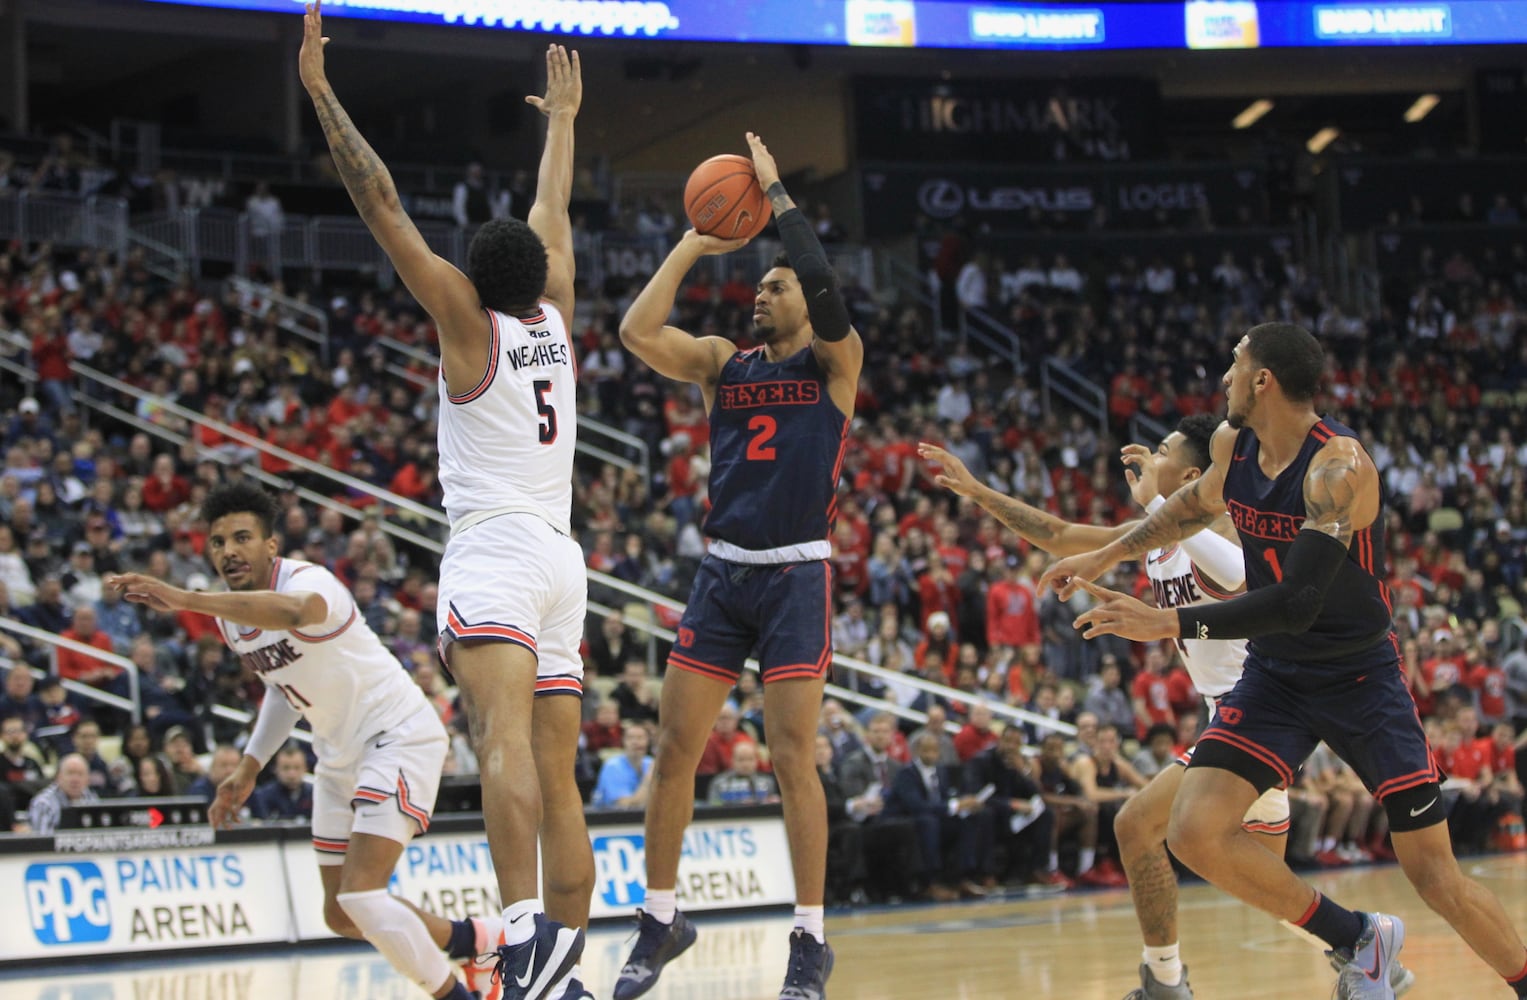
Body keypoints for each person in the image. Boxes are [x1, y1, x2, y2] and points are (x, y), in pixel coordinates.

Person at [1043, 322, 1527, 1000]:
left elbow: (1296, 601)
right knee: (1192, 831)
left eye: (1234, 366)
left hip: (1359, 675)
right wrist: (1105, 553)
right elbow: (1188, 506)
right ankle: (1356, 935)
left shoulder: (1338, 468)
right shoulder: (1230, 445)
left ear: (1262, 379)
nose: (1224, 380)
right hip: (1275, 677)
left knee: (1433, 875)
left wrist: (1165, 622)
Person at [295, 7, 591, 999]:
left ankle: (516, 935)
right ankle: (566, 963)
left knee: (501, 745)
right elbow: (554, 212)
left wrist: (323, 95)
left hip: (499, 552)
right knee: (557, 778)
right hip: (563, 558)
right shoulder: (557, 315)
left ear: (472, 279)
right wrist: (564, 123)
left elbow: (380, 204)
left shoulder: (469, 326)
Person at [923, 415, 1383, 998]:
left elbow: (1246, 580)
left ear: (1192, 475)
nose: (1146, 454)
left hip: (1262, 716)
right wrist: (976, 490)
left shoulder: (1235, 530)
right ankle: (1368, 952)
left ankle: (1166, 981)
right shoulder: (1159, 534)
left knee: (1136, 825)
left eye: (1162, 449)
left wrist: (1161, 503)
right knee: (1266, 891)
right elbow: (1063, 536)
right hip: (1231, 718)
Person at [614, 130, 863, 1000]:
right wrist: (695, 239)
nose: (761, 290)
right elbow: (635, 329)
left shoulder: (836, 363)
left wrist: (777, 197)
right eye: (757, 283)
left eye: (775, 281)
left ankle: (808, 939)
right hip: (723, 574)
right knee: (676, 747)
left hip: (797, 575)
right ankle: (658, 917)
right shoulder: (723, 365)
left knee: (792, 754)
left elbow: (826, 287)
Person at [107, 481, 493, 1000]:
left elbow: (293, 614)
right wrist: (249, 766)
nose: (228, 551)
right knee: (340, 912)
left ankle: (458, 994)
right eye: (218, 542)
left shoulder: (312, 582)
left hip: (396, 735)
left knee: (362, 894)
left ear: (271, 546)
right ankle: (477, 941)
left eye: (241, 538)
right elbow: (285, 690)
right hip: (337, 757)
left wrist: (185, 599)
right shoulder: (234, 622)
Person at [27, 752, 98, 834]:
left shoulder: (91, 798)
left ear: (87, 780)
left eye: (80, 774)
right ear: (58, 777)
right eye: (70, 773)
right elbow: (43, 842)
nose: (75, 779)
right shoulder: (44, 803)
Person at [250, 743, 315, 820]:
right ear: (275, 769)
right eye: (286, 768)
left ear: (305, 769)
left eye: (297, 768)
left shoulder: (314, 793)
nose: (292, 774)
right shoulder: (263, 795)